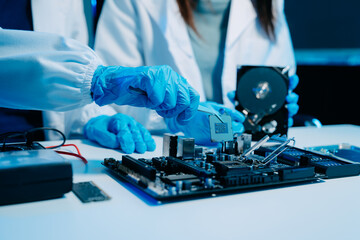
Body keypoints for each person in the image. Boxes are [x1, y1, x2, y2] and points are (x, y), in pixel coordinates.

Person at [90, 0, 299, 145]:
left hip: (241, 151)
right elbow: (110, 94)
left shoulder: (269, 4)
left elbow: (274, 83)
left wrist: (275, 109)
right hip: (166, 149)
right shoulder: (134, 4)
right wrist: (176, 121)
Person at [0, 29, 199, 153]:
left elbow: (66, 70)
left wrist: (93, 117)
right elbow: (82, 75)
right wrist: (102, 81)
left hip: (46, 151)